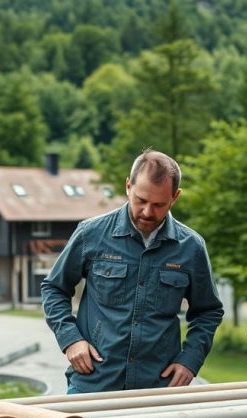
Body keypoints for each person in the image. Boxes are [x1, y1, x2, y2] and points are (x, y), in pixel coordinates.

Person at [42, 149, 224, 393]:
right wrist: (71, 340)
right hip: (93, 383)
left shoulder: (191, 247)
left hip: (157, 389)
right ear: (128, 186)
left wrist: (190, 360)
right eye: (141, 200)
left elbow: (208, 312)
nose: (148, 212)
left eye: (159, 204)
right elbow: (53, 288)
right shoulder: (90, 234)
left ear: (175, 197)